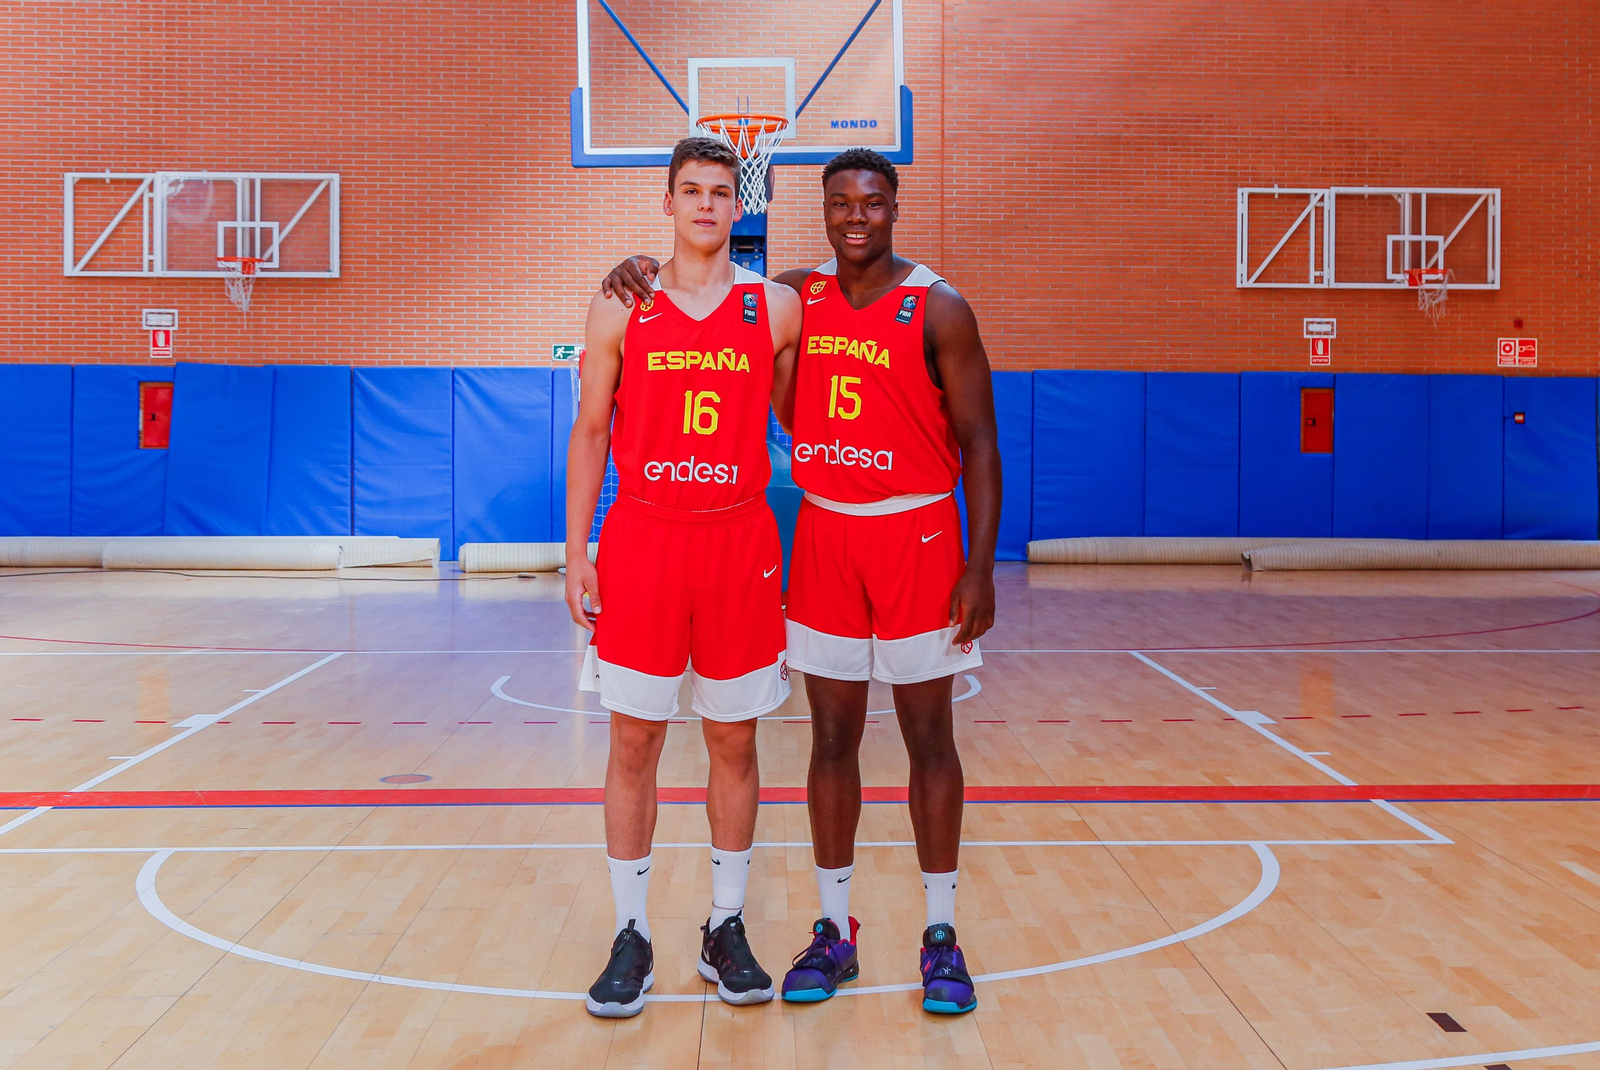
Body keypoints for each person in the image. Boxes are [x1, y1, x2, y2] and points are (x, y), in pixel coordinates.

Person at [599, 147, 1001, 1015]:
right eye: (841, 202)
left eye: (873, 202)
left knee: (930, 739)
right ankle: (831, 929)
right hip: (823, 532)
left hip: (919, 532)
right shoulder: (795, 296)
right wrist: (637, 266)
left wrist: (979, 564)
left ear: (894, 208)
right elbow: (703, 284)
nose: (857, 216)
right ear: (821, 212)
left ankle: (940, 933)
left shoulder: (939, 306)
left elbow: (980, 441)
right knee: (830, 741)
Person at [567, 136, 802, 1018]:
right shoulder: (621, 303)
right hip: (644, 540)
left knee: (735, 741)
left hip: (739, 541)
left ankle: (725, 924)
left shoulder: (775, 307)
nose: (706, 204)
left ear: (740, 206)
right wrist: (578, 551)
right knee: (634, 742)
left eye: (719, 192)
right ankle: (631, 933)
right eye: (691, 190)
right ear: (668, 202)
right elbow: (592, 432)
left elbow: (809, 394)